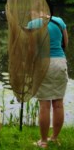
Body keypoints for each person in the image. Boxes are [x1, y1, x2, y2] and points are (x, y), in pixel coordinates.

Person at [34, 15, 68, 148]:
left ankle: (43, 141)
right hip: (59, 62)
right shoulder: (59, 21)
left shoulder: (33, 24)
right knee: (58, 103)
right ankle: (54, 138)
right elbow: (65, 43)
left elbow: (29, 48)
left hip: (42, 63)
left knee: (44, 105)